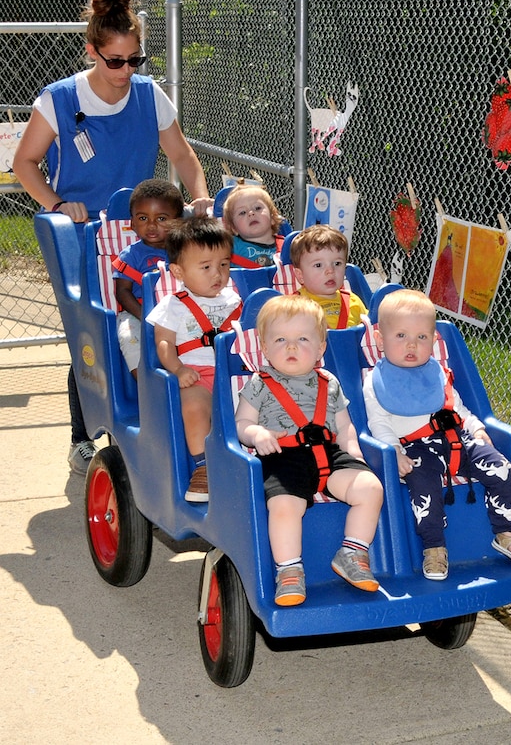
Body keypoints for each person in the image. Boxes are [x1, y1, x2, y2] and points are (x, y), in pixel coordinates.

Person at [12, 0, 213, 475]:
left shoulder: (149, 96)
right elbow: (25, 163)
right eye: (114, 61)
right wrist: (58, 203)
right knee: (92, 329)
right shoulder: (58, 99)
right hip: (83, 235)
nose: (125, 72)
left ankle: (152, 417)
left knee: (156, 321)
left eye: (134, 60)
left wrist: (200, 193)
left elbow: (182, 155)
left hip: (146, 231)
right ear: (92, 51)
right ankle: (84, 435)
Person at [362, 288, 511, 581]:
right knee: (423, 488)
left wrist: (476, 427)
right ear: (380, 341)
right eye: (401, 336)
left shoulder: (437, 372)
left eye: (422, 337)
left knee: (503, 469)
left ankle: (506, 532)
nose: (412, 345)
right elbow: (378, 423)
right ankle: (434, 547)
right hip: (417, 449)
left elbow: (456, 405)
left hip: (458, 440)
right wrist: (394, 451)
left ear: (433, 339)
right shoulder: (375, 382)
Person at [235, 294, 383, 606]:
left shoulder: (328, 382)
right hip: (282, 455)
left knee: (370, 488)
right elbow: (241, 423)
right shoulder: (259, 383)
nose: (291, 347)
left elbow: (344, 426)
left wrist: (353, 451)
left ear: (320, 348)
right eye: (280, 339)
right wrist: (256, 433)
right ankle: (288, 570)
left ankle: (353, 551)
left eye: (302, 339)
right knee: (285, 506)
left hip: (329, 453)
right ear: (263, 348)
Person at [145, 216, 241, 503]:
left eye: (224, 265)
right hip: (196, 374)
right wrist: (177, 368)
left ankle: (254, 456)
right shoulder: (173, 305)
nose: (218, 274)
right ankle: (204, 466)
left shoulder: (235, 300)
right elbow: (163, 342)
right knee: (194, 405)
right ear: (178, 271)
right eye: (206, 267)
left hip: (234, 374)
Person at [113, 179, 185, 379]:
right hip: (137, 313)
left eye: (161, 219)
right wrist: (146, 317)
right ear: (132, 223)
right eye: (143, 218)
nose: (151, 225)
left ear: (177, 222)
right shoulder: (131, 255)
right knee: (129, 337)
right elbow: (122, 292)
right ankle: (145, 384)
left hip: (178, 311)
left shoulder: (184, 252)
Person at [289, 224, 367, 328]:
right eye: (318, 265)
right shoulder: (293, 306)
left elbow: (370, 331)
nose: (330, 271)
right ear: (300, 275)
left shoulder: (354, 301)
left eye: (337, 263)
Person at [222, 182, 284, 268]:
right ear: (233, 228)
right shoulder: (229, 246)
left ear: (273, 217)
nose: (251, 213)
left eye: (257, 208)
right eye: (242, 212)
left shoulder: (286, 247)